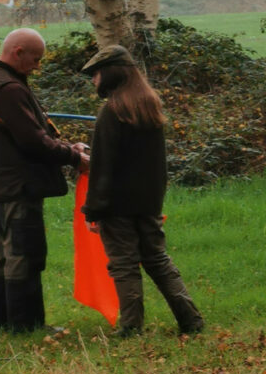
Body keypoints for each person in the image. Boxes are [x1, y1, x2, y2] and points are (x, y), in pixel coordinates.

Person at [81, 44, 203, 337]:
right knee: (158, 260)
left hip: (117, 207)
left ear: (110, 74)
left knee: (124, 266)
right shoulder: (149, 106)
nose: (94, 80)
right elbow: (157, 166)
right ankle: (191, 321)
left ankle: (131, 328)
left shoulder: (112, 112)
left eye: (96, 74)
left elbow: (103, 168)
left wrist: (93, 210)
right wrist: (154, 204)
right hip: (147, 203)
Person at [0, 27, 89, 332]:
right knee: (25, 254)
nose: (37, 66)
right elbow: (32, 141)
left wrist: (66, 147)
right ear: (17, 52)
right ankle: (27, 326)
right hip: (17, 185)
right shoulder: (9, 88)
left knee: (3, 255)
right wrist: (75, 158)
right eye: (34, 59)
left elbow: (27, 133)